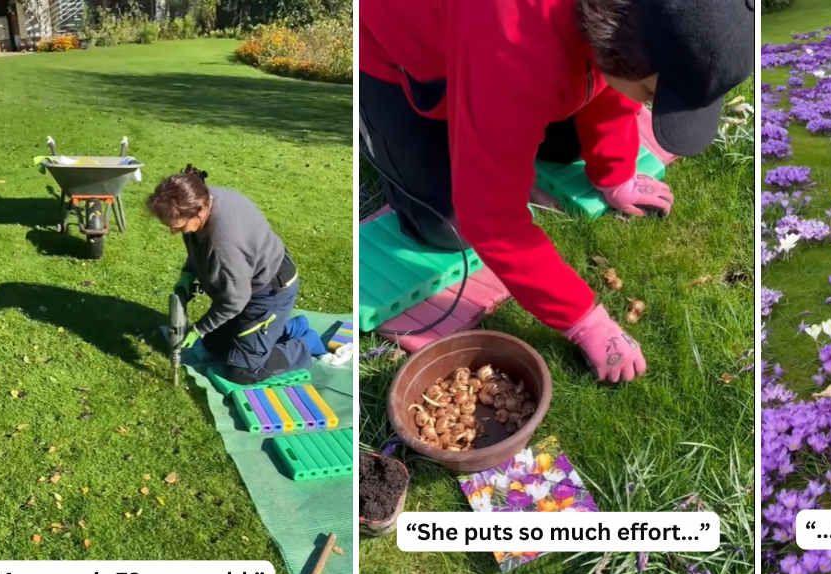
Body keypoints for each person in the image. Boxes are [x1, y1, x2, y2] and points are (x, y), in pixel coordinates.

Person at [360, 0, 754, 383]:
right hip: (400, 53)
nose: (649, 102)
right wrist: (584, 320)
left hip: (508, 50)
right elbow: (492, 220)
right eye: (652, 95)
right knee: (448, 228)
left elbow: (614, 80)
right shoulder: (511, 47)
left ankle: (513, 121)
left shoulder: (626, 25)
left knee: (567, 146)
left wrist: (614, 171)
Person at [147, 166, 326, 384]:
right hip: (248, 282)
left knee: (242, 371)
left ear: (200, 211)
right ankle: (289, 327)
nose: (173, 232)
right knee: (215, 346)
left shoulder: (223, 243)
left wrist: (199, 329)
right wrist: (188, 273)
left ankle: (306, 343)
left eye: (179, 226)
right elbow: (198, 247)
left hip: (269, 293)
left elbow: (235, 301)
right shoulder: (203, 198)